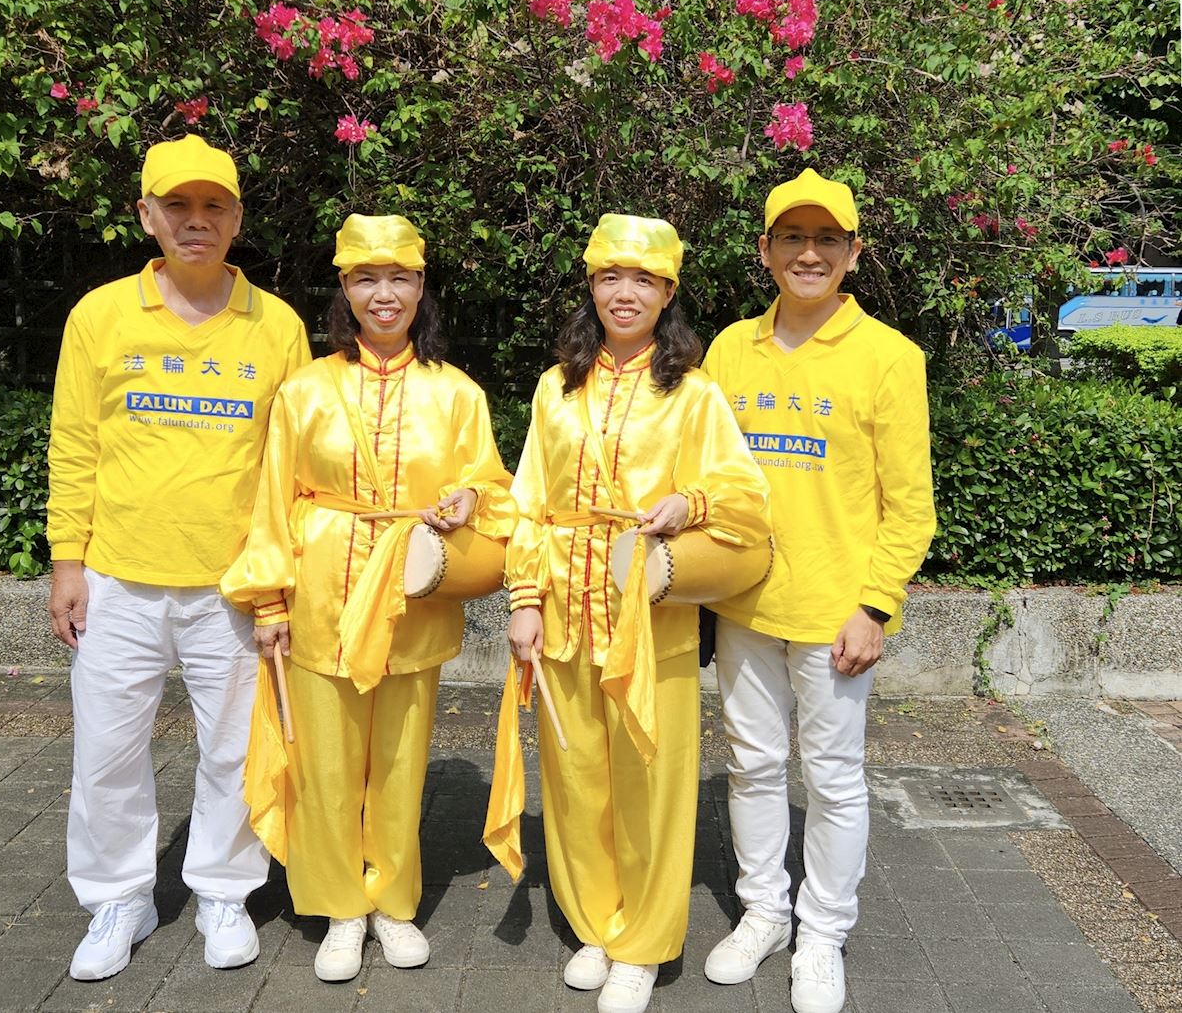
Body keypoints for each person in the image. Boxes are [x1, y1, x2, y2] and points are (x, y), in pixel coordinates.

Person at [484, 215, 771, 1013]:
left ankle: (642, 944)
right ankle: (597, 925)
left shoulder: (694, 393)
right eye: (611, 276)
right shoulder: (556, 386)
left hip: (651, 620)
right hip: (563, 612)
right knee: (575, 779)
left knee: (651, 782)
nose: (625, 293)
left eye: (644, 280)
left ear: (668, 292)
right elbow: (529, 502)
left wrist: (692, 501)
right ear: (591, 284)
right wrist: (524, 599)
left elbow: (748, 499)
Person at [221, 214, 516, 983]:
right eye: (366, 279)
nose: (384, 295)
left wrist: (467, 499)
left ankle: (392, 902)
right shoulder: (306, 391)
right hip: (320, 597)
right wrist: (268, 603)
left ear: (421, 286)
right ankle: (340, 907)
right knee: (324, 765)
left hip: (413, 603)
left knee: (399, 764)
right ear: (345, 289)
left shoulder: (456, 393)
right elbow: (272, 499)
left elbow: (495, 487)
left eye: (400, 278)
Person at [46, 134, 312, 981]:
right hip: (117, 577)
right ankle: (117, 897)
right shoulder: (101, 315)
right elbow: (74, 443)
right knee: (107, 750)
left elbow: (295, 466)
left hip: (232, 584)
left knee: (235, 751)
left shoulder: (277, 325)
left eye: (213, 207)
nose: (196, 221)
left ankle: (224, 891)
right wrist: (67, 560)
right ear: (146, 216)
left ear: (237, 219)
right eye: (178, 206)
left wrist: (278, 584)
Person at [700, 169, 936, 1013]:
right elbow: (705, 473)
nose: (810, 254)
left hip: (837, 613)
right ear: (765, 251)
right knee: (752, 765)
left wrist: (875, 606)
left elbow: (911, 506)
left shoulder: (890, 357)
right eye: (793, 238)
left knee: (833, 778)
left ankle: (823, 932)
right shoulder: (729, 349)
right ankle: (764, 912)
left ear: (854, 253)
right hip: (744, 604)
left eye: (827, 239)